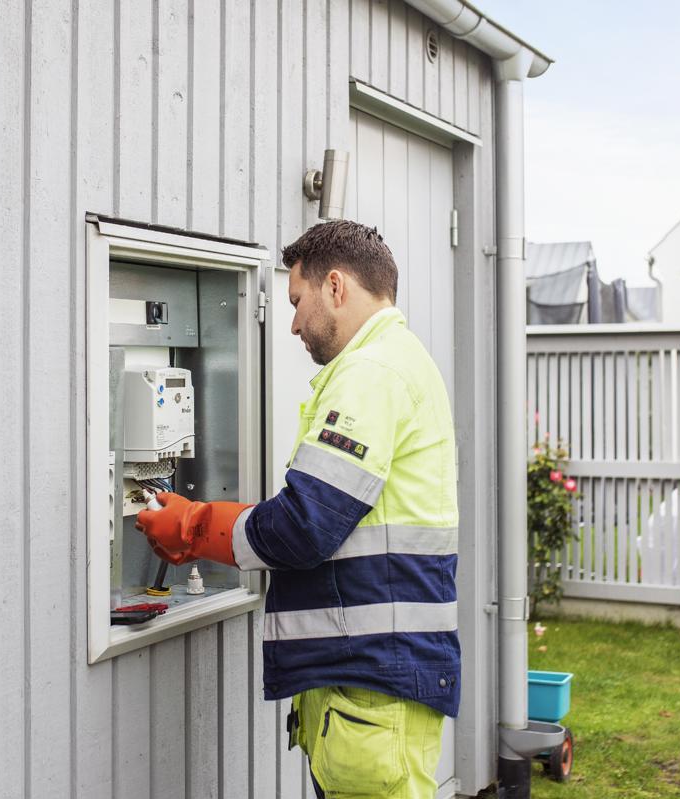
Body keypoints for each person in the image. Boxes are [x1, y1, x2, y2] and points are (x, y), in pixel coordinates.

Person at [136, 220, 459, 799]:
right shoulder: (394, 361)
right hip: (369, 680)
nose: (290, 324)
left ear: (335, 287)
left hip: (371, 685)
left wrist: (191, 525)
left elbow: (306, 526)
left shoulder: (371, 373)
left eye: (295, 301)